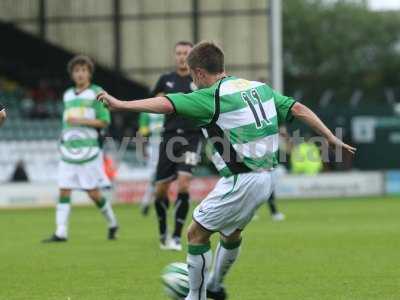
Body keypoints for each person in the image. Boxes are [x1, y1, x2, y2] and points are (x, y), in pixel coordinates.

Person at [97, 42, 356, 300]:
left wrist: (121, 104)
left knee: (195, 234)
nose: (194, 83)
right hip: (266, 180)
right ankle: (215, 286)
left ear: (198, 73)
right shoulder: (259, 88)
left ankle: (195, 296)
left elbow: (166, 104)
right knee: (231, 234)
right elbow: (298, 109)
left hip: (242, 179)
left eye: (193, 77)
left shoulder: (212, 96)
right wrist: (330, 136)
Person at [43, 55, 118, 243]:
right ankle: (61, 232)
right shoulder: (68, 94)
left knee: (93, 193)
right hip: (68, 152)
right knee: (64, 189)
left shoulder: (97, 92)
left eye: (83, 70)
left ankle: (112, 222)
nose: (80, 74)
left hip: (89, 152)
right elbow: (66, 124)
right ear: (72, 74)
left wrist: (80, 120)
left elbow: (104, 121)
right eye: (76, 71)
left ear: (89, 73)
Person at [151, 41, 202, 251]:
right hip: (169, 138)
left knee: (183, 183)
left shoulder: (198, 79)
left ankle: (176, 237)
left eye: (186, 53)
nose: (182, 57)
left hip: (192, 138)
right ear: (175, 56)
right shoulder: (166, 80)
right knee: (160, 190)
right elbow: (155, 101)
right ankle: (163, 231)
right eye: (179, 53)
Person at [138, 112, 164, 215]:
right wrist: (143, 148)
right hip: (154, 149)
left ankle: (150, 202)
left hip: (170, 147)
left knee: (166, 177)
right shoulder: (147, 114)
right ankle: (147, 202)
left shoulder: (170, 109)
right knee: (154, 177)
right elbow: (142, 132)